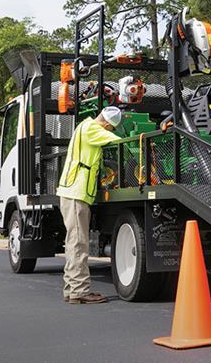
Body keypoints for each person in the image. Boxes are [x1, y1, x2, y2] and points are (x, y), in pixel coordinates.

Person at [56, 106, 122, 304]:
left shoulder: (84, 125)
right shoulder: (92, 129)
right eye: (110, 129)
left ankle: (72, 289)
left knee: (73, 243)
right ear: (108, 124)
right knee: (78, 243)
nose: (109, 132)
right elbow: (120, 142)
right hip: (76, 193)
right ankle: (79, 291)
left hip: (72, 192)